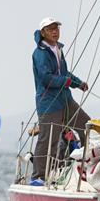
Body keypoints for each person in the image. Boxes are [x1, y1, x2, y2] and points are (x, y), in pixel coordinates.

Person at [31, 17, 90, 182]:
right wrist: (67, 82)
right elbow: (46, 78)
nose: (55, 31)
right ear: (43, 33)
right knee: (47, 140)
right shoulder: (40, 53)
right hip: (49, 103)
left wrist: (78, 84)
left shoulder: (58, 49)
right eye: (50, 29)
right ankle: (38, 177)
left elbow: (64, 74)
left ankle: (88, 168)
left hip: (65, 100)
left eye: (56, 28)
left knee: (87, 127)